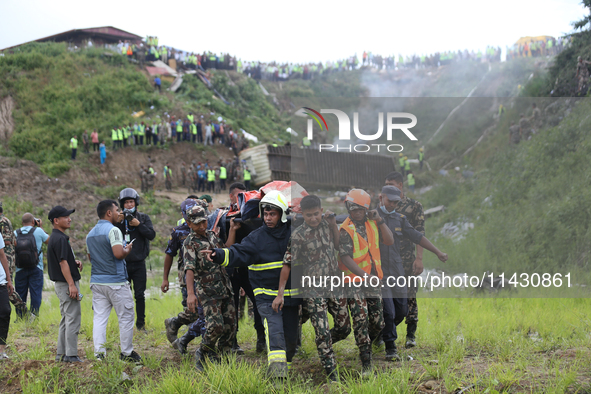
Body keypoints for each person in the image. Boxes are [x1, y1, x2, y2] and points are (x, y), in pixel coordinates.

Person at [204, 191, 299, 379]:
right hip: (266, 297)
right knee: (275, 334)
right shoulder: (257, 237)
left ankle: (284, 369)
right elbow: (238, 252)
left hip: (290, 297)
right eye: (265, 213)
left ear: (282, 214)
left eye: (273, 214)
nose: (268, 218)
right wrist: (219, 254)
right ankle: (278, 378)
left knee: (290, 339)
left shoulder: (294, 233)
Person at [273, 195, 350, 382]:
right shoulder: (298, 235)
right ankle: (332, 374)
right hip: (313, 290)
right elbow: (287, 264)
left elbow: (339, 246)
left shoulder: (327, 225)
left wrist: (333, 225)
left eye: (316, 214)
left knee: (344, 328)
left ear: (321, 211)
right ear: (303, 215)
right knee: (322, 331)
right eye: (309, 215)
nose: (313, 218)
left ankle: (323, 343)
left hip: (334, 286)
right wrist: (280, 293)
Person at [377, 185, 447, 360]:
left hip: (397, 270)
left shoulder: (400, 219)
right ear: (381, 198)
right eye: (389, 201)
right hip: (379, 271)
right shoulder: (371, 218)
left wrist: (438, 252)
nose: (392, 204)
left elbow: (417, 236)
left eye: (395, 202)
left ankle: (380, 332)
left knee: (401, 311)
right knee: (389, 311)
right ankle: (390, 347)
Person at [337, 189, 394, 374]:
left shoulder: (372, 223)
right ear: (348, 208)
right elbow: (345, 258)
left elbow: (389, 240)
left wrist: (380, 220)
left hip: (373, 280)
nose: (356, 212)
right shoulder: (345, 229)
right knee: (360, 319)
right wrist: (363, 275)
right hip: (354, 281)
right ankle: (366, 361)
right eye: (352, 209)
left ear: (366, 209)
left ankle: (367, 342)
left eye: (360, 209)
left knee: (378, 322)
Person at [207, 183, 265, 354]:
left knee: (258, 303)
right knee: (231, 308)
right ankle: (232, 342)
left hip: (250, 268)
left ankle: (261, 339)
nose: (242, 199)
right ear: (231, 196)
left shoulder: (255, 214)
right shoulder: (223, 216)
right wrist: (233, 229)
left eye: (244, 195)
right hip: (232, 268)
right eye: (239, 195)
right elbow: (226, 247)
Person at [183, 204, 236, 371]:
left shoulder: (212, 236)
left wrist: (233, 229)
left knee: (230, 326)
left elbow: (225, 250)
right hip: (207, 291)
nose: (201, 226)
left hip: (224, 286)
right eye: (197, 223)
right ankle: (202, 351)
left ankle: (222, 357)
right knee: (215, 326)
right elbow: (189, 269)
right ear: (189, 223)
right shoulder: (190, 242)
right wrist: (190, 294)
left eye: (204, 222)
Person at [87, 200, 141, 362]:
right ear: (109, 213)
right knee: (126, 316)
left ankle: (99, 354)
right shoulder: (113, 231)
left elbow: (91, 257)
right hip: (116, 282)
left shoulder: (90, 234)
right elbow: (118, 254)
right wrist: (127, 250)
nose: (120, 213)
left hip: (97, 282)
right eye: (117, 210)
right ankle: (126, 353)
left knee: (100, 318)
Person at [385, 172, 427, 348]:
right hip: (387, 260)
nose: (389, 187)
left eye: (392, 184)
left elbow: (419, 234)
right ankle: (386, 332)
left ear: (401, 185)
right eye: (386, 184)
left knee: (410, 295)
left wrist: (419, 258)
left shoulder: (414, 206)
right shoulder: (384, 204)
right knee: (387, 297)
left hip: (407, 259)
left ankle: (410, 335)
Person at [162, 199, 207, 352]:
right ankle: (177, 325)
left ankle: (177, 326)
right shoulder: (179, 232)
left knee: (205, 311)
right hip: (187, 276)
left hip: (206, 276)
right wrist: (165, 278)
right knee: (194, 310)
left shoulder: (206, 227)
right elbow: (169, 254)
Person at [114, 189, 156, 331]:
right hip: (123, 263)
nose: (129, 205)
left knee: (139, 295)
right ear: (122, 204)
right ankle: (126, 325)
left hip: (139, 263)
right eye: (126, 202)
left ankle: (140, 324)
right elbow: (111, 236)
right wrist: (118, 223)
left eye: (131, 202)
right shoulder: (118, 220)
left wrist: (138, 225)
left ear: (136, 203)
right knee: (124, 296)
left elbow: (151, 235)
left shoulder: (143, 218)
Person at [47, 206, 83, 362]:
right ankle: (71, 354)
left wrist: (73, 262)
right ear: (56, 221)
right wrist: (71, 284)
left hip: (60, 284)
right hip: (65, 284)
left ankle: (61, 354)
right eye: (65, 216)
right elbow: (62, 263)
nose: (69, 219)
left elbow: (62, 260)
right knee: (73, 318)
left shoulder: (55, 237)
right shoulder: (60, 238)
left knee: (65, 318)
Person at [14, 213, 49, 318]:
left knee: (20, 295)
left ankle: (21, 317)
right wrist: (41, 227)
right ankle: (33, 317)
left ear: (22, 223)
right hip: (36, 268)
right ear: (33, 222)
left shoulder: (16, 233)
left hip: (20, 268)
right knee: (36, 293)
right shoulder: (38, 231)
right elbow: (50, 241)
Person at [0, 203, 27, 317]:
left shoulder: (2, 221)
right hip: (9, 256)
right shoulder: (7, 220)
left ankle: (24, 311)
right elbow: (14, 241)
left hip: (6, 257)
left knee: (7, 287)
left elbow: (6, 241)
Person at [0, 234, 14, 360]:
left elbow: (2, 255)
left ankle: (1, 350)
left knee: (5, 311)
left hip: (1, 281)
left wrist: (8, 279)